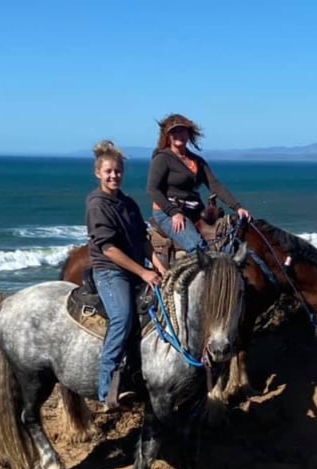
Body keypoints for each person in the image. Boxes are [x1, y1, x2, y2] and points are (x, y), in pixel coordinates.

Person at [86, 140, 167, 411]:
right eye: (108, 171)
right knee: (123, 317)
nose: (114, 176)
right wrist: (144, 272)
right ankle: (106, 388)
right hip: (111, 272)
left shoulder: (128, 203)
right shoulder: (98, 204)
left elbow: (144, 240)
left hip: (136, 268)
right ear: (98, 172)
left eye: (118, 171)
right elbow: (108, 249)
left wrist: (159, 266)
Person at [147, 113, 252, 253]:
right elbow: (153, 190)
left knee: (229, 237)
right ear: (167, 136)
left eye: (182, 130)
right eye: (174, 131)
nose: (179, 134)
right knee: (198, 248)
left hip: (194, 209)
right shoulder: (162, 158)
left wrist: (238, 207)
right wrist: (174, 213)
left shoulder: (197, 161)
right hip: (167, 212)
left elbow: (214, 185)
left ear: (189, 133)